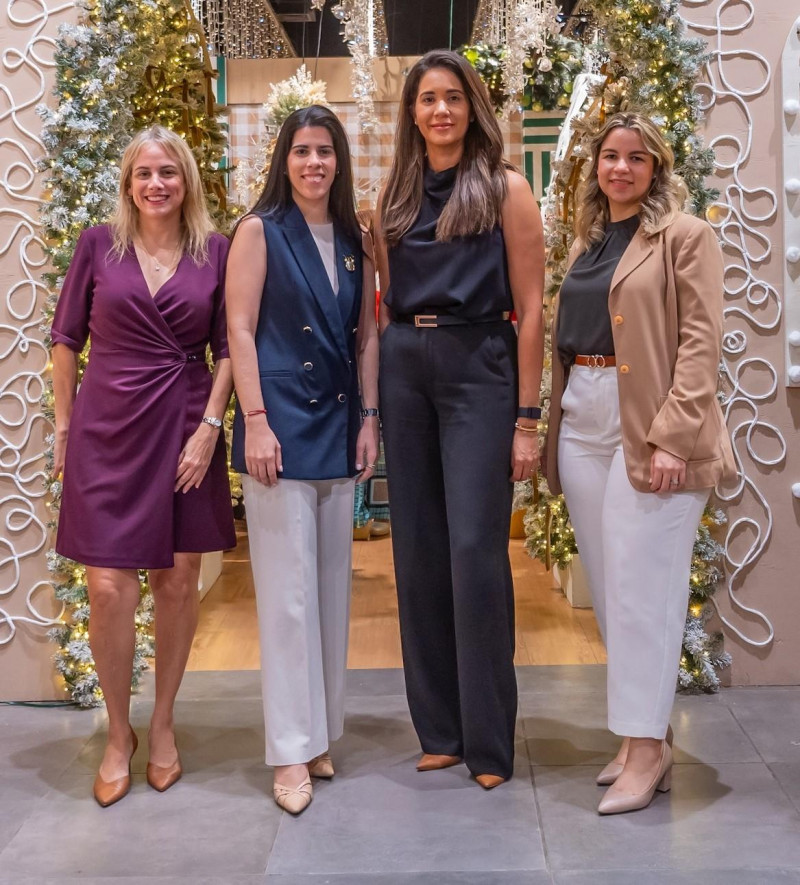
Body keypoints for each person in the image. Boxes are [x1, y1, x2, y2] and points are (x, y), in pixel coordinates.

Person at [544, 111, 736, 815]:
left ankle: (649, 753)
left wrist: (671, 438)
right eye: (610, 157)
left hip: (650, 429)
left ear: (657, 167)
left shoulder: (684, 236)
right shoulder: (588, 243)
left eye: (636, 158)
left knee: (646, 593)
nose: (620, 168)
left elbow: (699, 344)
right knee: (611, 587)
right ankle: (638, 735)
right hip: (585, 419)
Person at [374, 50, 545, 788]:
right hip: (407, 361)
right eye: (427, 99)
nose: (440, 110)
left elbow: (534, 309)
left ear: (473, 107)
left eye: (452, 97)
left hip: (482, 364)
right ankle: (439, 728)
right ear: (412, 112)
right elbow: (377, 300)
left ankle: (489, 741)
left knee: (476, 548)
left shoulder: (505, 189)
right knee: (416, 549)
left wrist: (528, 418)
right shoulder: (396, 197)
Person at [51, 125, 235, 807]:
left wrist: (211, 427)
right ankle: (118, 732)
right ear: (127, 183)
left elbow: (228, 347)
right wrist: (66, 429)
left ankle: (162, 722)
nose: (157, 184)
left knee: (178, 577)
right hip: (106, 425)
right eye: (144, 174)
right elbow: (66, 340)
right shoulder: (99, 245)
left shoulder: (214, 249)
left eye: (169, 172)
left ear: (187, 180)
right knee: (106, 586)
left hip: (186, 419)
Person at [226, 105, 379, 815]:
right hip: (279, 430)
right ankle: (289, 747)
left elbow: (368, 334)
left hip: (341, 422)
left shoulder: (354, 237)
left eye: (325, 151)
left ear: (339, 161)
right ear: (283, 160)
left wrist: (370, 418)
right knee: (286, 599)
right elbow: (240, 328)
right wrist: (254, 420)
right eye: (302, 151)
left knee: (329, 590)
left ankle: (320, 732)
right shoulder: (260, 231)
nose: (314, 162)